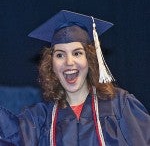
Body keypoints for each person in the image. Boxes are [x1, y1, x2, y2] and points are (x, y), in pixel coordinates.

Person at [0, 10, 150, 146]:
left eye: (77, 53)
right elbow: (11, 136)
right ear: (51, 64)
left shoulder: (120, 105)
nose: (69, 62)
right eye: (60, 55)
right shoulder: (39, 119)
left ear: (89, 59)